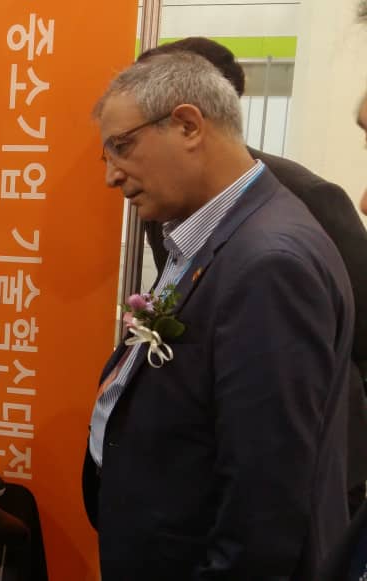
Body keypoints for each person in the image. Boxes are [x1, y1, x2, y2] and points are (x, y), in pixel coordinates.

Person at [83, 52, 353, 579]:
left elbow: (266, 496)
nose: (112, 176)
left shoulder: (269, 263)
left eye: (123, 147)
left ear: (187, 125)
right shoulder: (212, 233)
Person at [137, 38, 367, 515]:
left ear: (191, 117)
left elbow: (359, 332)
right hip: (214, 456)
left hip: (308, 462)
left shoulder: (306, 195)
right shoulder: (163, 202)